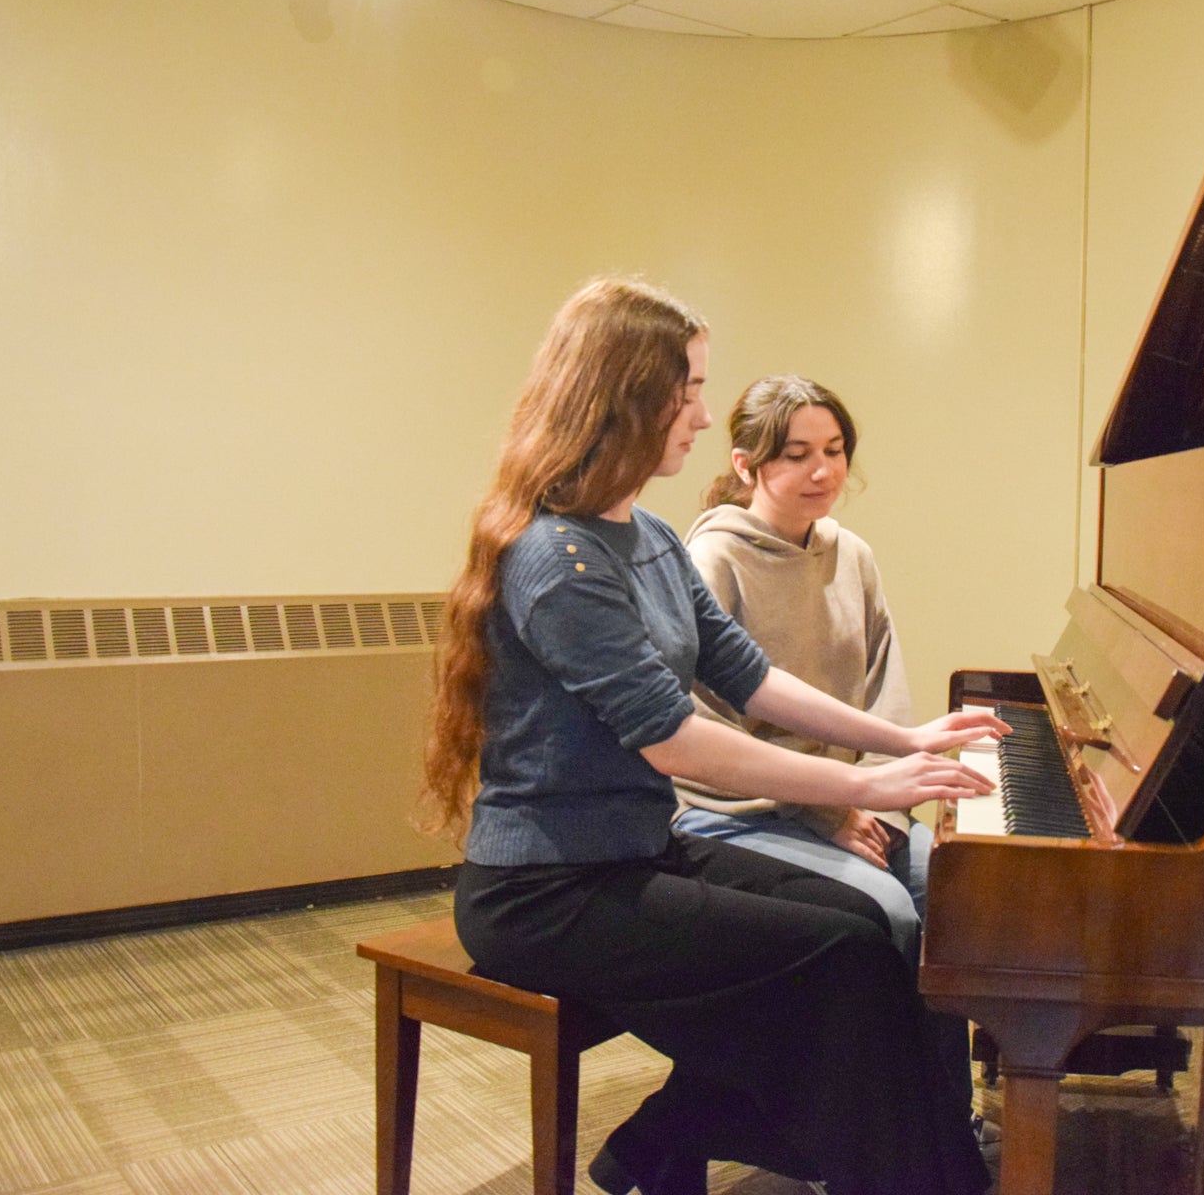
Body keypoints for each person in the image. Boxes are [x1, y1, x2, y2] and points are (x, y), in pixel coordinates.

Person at [421, 276, 1005, 1195]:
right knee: (847, 958)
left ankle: (892, 1163)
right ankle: (901, 1172)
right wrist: (858, 789)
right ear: (625, 398)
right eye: (687, 389)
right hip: (545, 892)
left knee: (870, 928)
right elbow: (676, 740)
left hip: (634, 853)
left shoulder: (646, 533)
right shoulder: (556, 558)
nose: (700, 415)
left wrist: (904, 743)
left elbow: (751, 677)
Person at [675, 376, 933, 962]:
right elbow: (702, 720)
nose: (824, 471)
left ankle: (921, 1059)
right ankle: (857, 1055)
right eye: (798, 456)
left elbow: (882, 686)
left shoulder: (853, 555)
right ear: (745, 465)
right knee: (885, 911)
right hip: (743, 810)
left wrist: (881, 806)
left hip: (852, 799)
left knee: (956, 891)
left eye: (834, 450)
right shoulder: (713, 559)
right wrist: (826, 811)